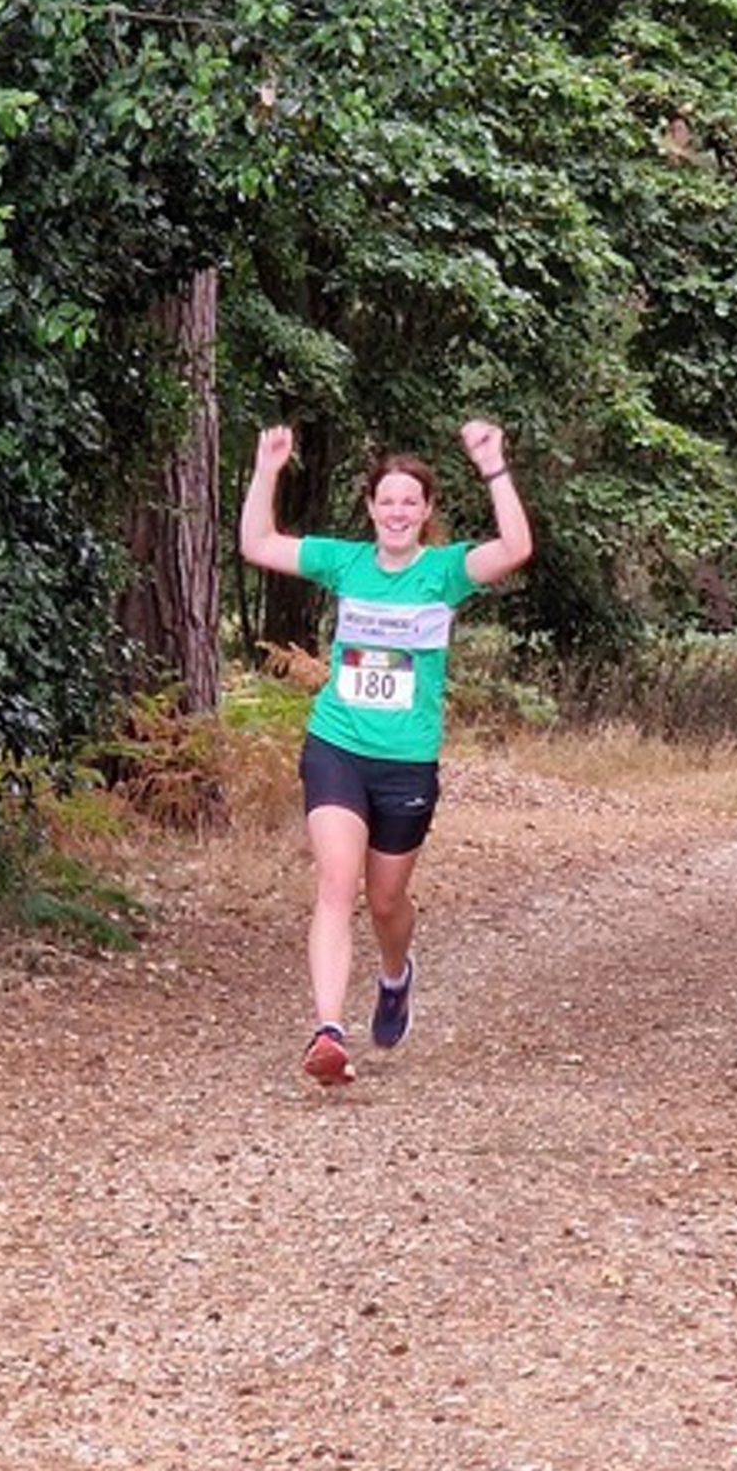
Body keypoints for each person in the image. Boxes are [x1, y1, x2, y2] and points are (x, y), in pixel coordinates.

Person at [240, 420, 532, 1085]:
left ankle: (395, 974)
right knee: (336, 886)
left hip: (406, 761)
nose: (397, 511)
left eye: (410, 501)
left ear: (425, 512)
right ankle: (328, 1031)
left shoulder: (443, 571)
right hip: (337, 744)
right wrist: (267, 468)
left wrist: (492, 464)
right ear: (370, 508)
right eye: (386, 500)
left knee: (385, 901)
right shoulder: (344, 561)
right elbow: (256, 542)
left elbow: (516, 545)